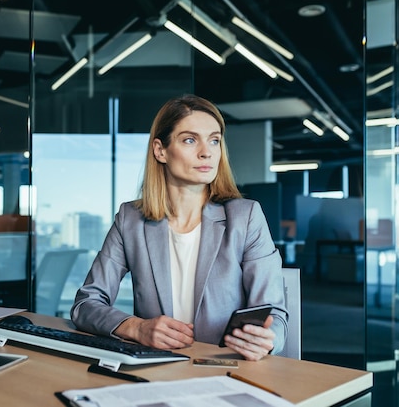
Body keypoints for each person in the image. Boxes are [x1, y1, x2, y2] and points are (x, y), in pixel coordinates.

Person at [70, 94, 287, 361]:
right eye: (189, 140)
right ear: (160, 150)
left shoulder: (246, 216)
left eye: (214, 140)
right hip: (155, 368)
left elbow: (275, 314)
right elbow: (85, 304)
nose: (206, 151)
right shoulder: (131, 219)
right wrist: (136, 328)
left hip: (229, 368)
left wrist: (268, 339)